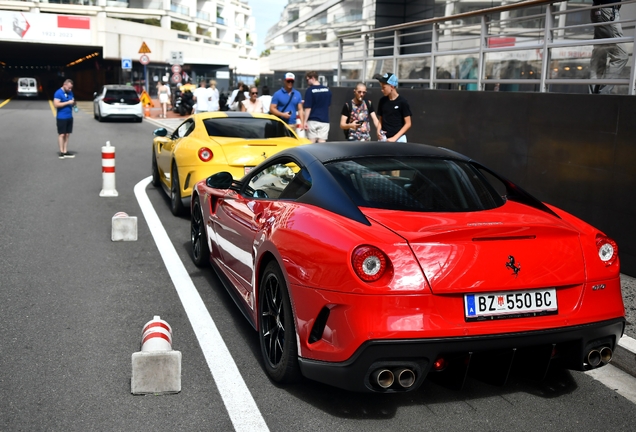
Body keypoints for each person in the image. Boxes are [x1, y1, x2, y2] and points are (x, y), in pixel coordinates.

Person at [589, 1, 628, 94]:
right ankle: (603, 93)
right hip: (608, 10)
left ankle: (593, 95)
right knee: (621, 56)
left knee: (599, 54)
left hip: (599, 9)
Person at [374, 72, 411, 142]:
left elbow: (408, 123)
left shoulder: (402, 102)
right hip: (384, 139)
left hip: (399, 140)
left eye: (383, 87)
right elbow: (381, 119)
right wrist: (378, 130)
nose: (382, 90)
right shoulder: (382, 101)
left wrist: (394, 138)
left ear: (392, 87)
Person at [303, 71, 332, 143]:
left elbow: (308, 108)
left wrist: (305, 121)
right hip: (324, 121)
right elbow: (328, 105)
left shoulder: (310, 90)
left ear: (312, 78)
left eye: (307, 80)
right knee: (322, 143)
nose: (307, 82)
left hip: (313, 120)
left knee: (311, 144)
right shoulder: (327, 90)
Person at [53, 79, 76, 159]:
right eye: (69, 88)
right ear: (64, 85)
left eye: (71, 88)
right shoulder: (58, 93)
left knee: (67, 134)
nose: (70, 89)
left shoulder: (70, 93)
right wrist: (68, 102)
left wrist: (73, 103)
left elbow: (72, 101)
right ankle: (61, 151)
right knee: (62, 134)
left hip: (69, 116)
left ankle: (66, 151)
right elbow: (56, 104)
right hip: (61, 117)